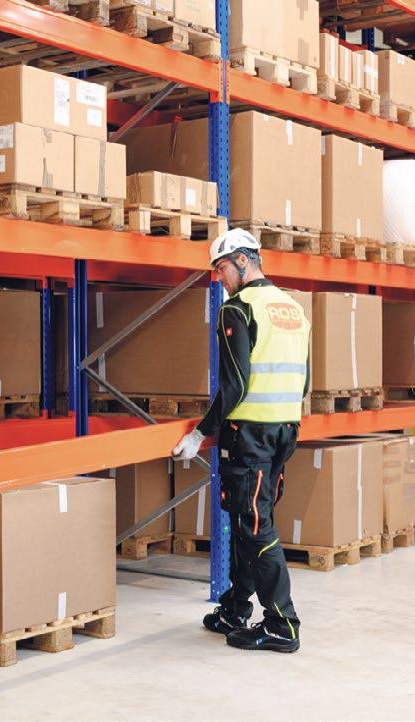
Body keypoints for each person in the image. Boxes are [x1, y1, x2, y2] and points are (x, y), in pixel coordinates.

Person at [172, 228, 310, 653]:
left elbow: (234, 384)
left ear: (244, 261)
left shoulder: (238, 309)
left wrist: (200, 432)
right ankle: (235, 609)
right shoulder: (293, 308)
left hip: (249, 434)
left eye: (222, 269)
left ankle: (282, 624)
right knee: (246, 523)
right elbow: (304, 383)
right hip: (285, 431)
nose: (220, 279)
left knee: (254, 527)